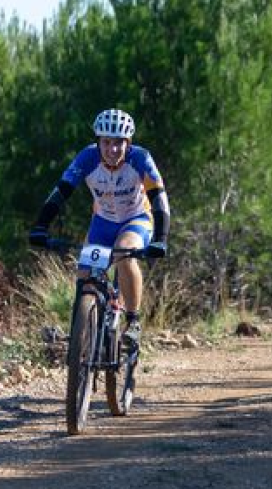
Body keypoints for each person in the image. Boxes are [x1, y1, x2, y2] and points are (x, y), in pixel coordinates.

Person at [29, 108, 170, 346]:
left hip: (136, 218)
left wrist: (161, 238)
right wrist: (41, 226)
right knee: (85, 276)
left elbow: (159, 198)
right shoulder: (87, 158)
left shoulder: (141, 158)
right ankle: (79, 338)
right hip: (102, 222)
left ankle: (133, 320)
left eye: (118, 143)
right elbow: (60, 193)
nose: (112, 150)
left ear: (128, 143)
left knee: (124, 253)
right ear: (98, 142)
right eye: (106, 143)